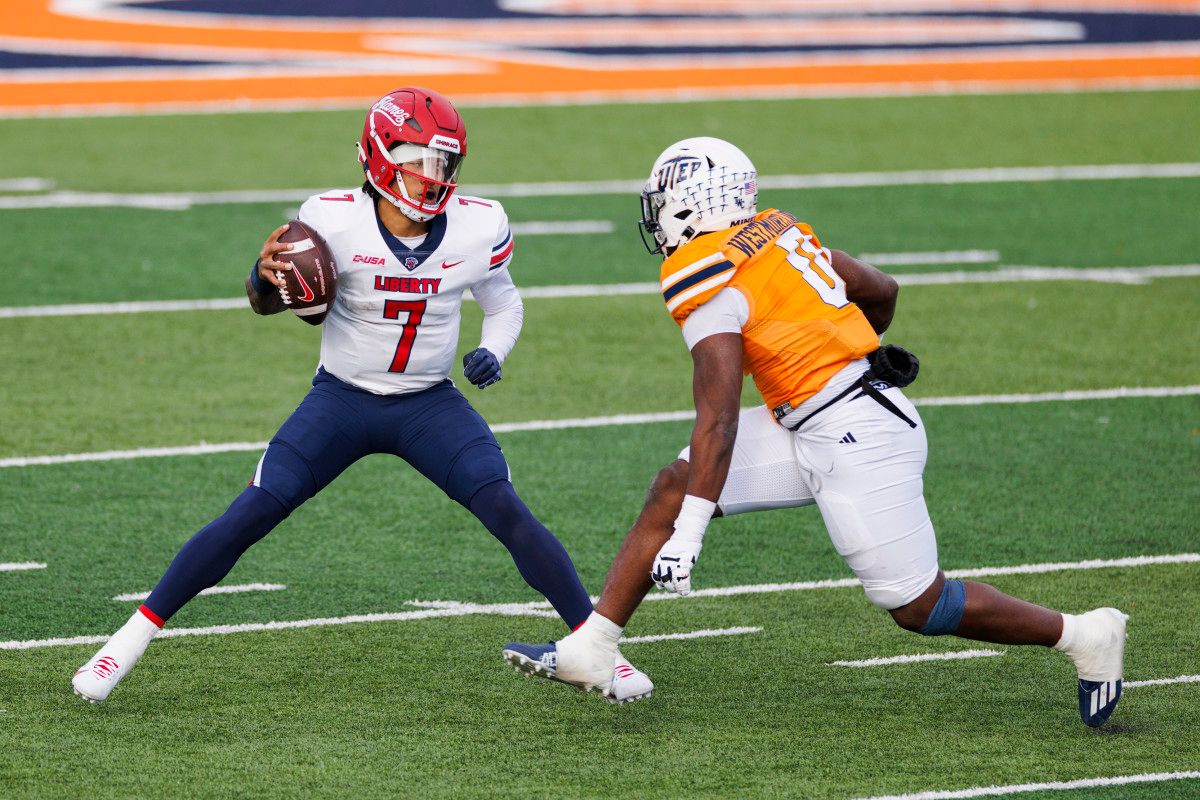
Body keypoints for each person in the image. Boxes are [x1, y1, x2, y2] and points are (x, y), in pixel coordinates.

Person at [503, 136, 1127, 727]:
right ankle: (595, 644)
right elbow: (881, 290)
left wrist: (690, 535)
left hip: (859, 434)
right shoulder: (779, 233)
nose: (660, 218)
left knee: (918, 606)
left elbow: (718, 417)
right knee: (675, 483)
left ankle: (1085, 635)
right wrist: (857, 345)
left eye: (664, 203)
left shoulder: (705, 270)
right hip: (820, 416)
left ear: (694, 204)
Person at [71, 87, 651, 705]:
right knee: (252, 512)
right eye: (419, 159)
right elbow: (277, 302)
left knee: (508, 511)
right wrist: (260, 280)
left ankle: (600, 652)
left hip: (430, 403)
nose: (433, 177)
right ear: (378, 155)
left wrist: (494, 349)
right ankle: (121, 647)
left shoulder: (479, 225)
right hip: (342, 401)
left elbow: (504, 302)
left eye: (443, 163)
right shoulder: (331, 218)